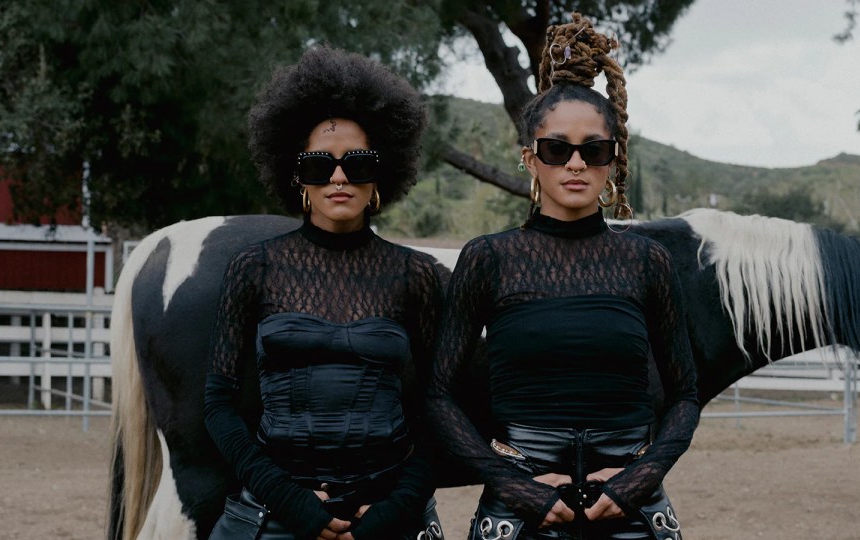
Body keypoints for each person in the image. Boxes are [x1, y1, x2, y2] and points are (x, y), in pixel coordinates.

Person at [427, 12, 699, 540]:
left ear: (612, 159)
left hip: (633, 508)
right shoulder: (488, 258)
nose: (575, 164)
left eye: (592, 150)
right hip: (519, 509)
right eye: (557, 149)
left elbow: (685, 395)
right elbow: (438, 394)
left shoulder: (648, 261)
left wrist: (637, 481)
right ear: (531, 159)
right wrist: (513, 482)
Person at [203, 46, 445, 540]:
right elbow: (218, 405)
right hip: (277, 514)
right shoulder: (255, 268)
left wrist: (396, 507)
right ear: (297, 177)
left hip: (387, 516)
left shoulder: (415, 274)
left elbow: (443, 406)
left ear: (379, 173)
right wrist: (289, 500)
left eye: (356, 163)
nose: (338, 177)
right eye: (320, 165)